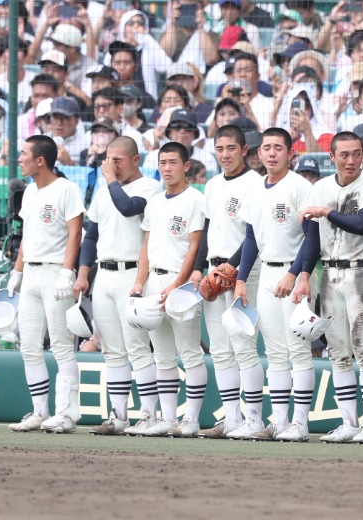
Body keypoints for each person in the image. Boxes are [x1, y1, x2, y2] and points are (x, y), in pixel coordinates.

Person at [294, 131, 363, 444]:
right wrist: (305, 275)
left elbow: (361, 225)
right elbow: (311, 236)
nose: (351, 160)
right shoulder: (320, 187)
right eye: (344, 154)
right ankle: (349, 422)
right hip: (329, 273)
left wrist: (325, 212)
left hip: (362, 270)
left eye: (356, 153)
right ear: (331, 157)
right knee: (338, 351)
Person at [75, 136, 163, 436]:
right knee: (112, 350)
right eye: (108, 158)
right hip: (105, 273)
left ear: (135, 160)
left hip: (132, 275)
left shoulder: (149, 187)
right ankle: (119, 416)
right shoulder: (103, 191)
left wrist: (110, 180)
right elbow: (90, 236)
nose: (112, 165)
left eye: (119, 159)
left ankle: (149, 415)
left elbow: (128, 208)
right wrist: (83, 273)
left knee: (137, 348)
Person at [234, 127, 317, 442]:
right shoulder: (255, 188)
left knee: (299, 350)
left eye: (278, 148)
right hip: (267, 273)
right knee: (275, 351)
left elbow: (313, 237)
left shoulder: (299, 186)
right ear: (258, 153)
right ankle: (280, 421)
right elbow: (252, 238)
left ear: (290, 152)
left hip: (294, 275)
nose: (271, 153)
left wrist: (296, 274)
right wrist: (241, 279)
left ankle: (300, 423)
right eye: (266, 147)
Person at [192, 124, 265, 440]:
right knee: (220, 350)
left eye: (231, 148)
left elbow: (255, 235)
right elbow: (207, 230)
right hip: (213, 274)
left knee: (244, 347)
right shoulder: (211, 185)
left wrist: (231, 268)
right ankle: (232, 418)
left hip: (242, 274)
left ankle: (254, 419)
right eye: (219, 149)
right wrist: (199, 270)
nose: (225, 154)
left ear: (244, 149)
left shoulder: (255, 183)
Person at [7, 135, 85, 433]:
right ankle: (40, 411)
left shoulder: (67, 189)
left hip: (55, 275)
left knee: (62, 347)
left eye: (23, 153)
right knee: (29, 346)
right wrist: (17, 271)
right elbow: (27, 236)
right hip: (31, 275)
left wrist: (68, 271)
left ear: (41, 160)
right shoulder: (28, 193)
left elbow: (75, 233)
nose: (19, 158)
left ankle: (66, 414)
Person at [131, 142, 208, 437]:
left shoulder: (195, 199)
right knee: (161, 354)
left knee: (189, 352)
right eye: (163, 162)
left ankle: (190, 419)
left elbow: (194, 245)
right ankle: (165, 417)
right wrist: (140, 281)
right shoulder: (155, 201)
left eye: (173, 162)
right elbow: (146, 246)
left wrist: (179, 282)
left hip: (182, 283)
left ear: (186, 166)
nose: (167, 168)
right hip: (154, 281)